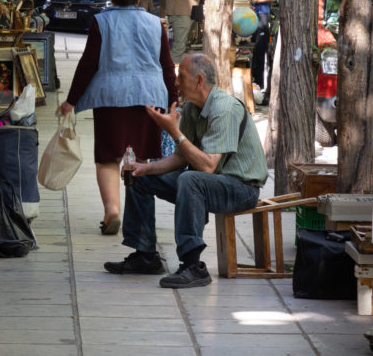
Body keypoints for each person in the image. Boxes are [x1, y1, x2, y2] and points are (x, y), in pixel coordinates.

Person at [104, 53, 267, 288]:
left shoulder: (224, 109)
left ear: (198, 81)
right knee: (140, 178)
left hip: (241, 188)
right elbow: (182, 157)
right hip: (211, 181)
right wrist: (145, 167)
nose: (176, 83)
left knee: (191, 180)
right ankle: (145, 255)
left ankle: (193, 266)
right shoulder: (192, 107)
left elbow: (208, 166)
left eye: (181, 77)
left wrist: (174, 132)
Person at [60, 0, 178, 235]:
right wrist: (173, 99)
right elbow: (167, 65)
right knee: (143, 158)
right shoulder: (155, 23)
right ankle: (138, 218)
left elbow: (88, 64)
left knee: (108, 157)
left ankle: (112, 210)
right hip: (150, 97)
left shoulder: (101, 22)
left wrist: (71, 100)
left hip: (111, 97)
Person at [239, 0, 277, 99]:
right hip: (243, 15)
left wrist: (255, 1)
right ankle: (243, 85)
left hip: (261, 14)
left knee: (260, 52)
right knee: (243, 50)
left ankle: (258, 86)